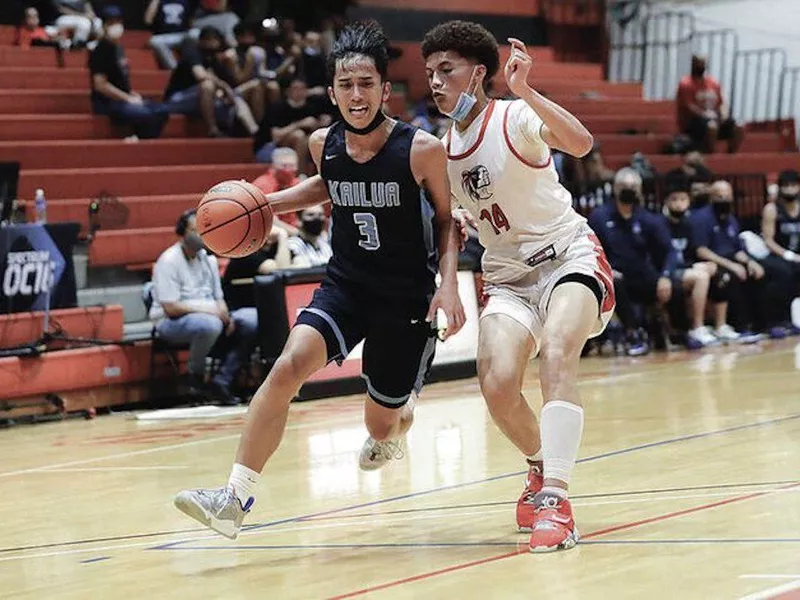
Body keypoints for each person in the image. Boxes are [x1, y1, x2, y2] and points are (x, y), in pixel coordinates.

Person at [174, 21, 465, 540]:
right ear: (331, 91)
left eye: (367, 84)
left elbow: (446, 220)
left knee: (382, 426)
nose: (356, 95)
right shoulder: (321, 142)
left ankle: (403, 412)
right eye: (346, 86)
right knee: (287, 366)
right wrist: (264, 203)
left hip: (404, 298)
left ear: (384, 90)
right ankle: (234, 500)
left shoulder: (421, 150)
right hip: (346, 285)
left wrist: (448, 285)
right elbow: (327, 184)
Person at [423, 21, 614, 553]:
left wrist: (526, 88)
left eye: (447, 71)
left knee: (557, 351)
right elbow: (457, 219)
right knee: (498, 385)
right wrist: (451, 279)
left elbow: (581, 142)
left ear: (479, 73)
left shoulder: (515, 115)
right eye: (430, 73)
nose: (435, 82)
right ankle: (539, 465)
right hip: (507, 277)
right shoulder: (443, 147)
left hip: (566, 258)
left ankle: (556, 498)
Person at [149, 209, 259, 405]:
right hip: (170, 322)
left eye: (205, 230)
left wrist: (225, 314)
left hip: (211, 315)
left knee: (253, 319)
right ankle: (195, 377)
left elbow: (219, 297)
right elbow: (170, 308)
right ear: (183, 233)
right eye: (195, 230)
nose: (201, 235)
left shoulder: (209, 259)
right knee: (210, 325)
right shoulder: (168, 261)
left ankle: (222, 379)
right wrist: (212, 312)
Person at [589, 169, 677, 356]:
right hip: (613, 277)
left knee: (673, 285)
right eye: (624, 187)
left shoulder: (649, 219)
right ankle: (633, 333)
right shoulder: (599, 217)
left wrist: (666, 276)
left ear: (640, 190)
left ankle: (677, 331)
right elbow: (590, 250)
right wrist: (606, 270)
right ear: (615, 188)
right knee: (616, 282)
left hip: (642, 275)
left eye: (633, 187)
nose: (628, 190)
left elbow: (669, 250)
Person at [691, 180, 783, 337]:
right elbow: (701, 250)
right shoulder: (701, 218)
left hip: (731, 259)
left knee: (761, 272)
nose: (724, 199)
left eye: (727, 195)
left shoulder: (731, 219)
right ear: (711, 197)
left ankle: (763, 324)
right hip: (711, 261)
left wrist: (750, 262)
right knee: (731, 276)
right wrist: (731, 265)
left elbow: (737, 249)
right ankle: (739, 325)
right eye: (719, 196)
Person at [661, 173, 730, 347]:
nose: (679, 203)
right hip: (666, 272)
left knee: (714, 270)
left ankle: (720, 326)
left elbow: (692, 251)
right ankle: (697, 327)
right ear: (667, 202)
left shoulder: (689, 223)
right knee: (701, 276)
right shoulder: (658, 224)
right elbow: (663, 255)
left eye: (683, 199)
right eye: (674, 199)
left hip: (685, 269)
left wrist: (699, 264)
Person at [89, 6, 168, 140]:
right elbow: (101, 85)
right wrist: (127, 98)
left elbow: (120, 78)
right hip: (109, 103)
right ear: (104, 26)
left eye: (118, 22)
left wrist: (131, 93)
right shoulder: (100, 50)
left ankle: (141, 138)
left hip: (124, 97)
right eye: (111, 23)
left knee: (162, 111)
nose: (116, 26)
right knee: (145, 114)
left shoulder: (118, 48)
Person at [164, 27, 259, 137]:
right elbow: (201, 75)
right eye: (209, 40)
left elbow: (232, 82)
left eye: (214, 40)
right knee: (207, 85)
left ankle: (254, 130)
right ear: (202, 41)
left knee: (237, 98)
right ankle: (212, 128)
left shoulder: (214, 59)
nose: (212, 43)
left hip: (203, 101)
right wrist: (223, 86)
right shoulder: (193, 52)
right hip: (178, 99)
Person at [253, 77, 334, 173]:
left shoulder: (312, 107)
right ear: (288, 91)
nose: (299, 92)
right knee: (298, 135)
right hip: (270, 147)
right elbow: (276, 136)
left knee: (315, 138)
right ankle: (300, 174)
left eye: (302, 89)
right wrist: (299, 124)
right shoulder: (278, 107)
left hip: (302, 146)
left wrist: (321, 123)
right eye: (296, 89)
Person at [676, 55, 743, 154]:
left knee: (739, 125)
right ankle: (711, 153)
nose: (701, 65)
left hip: (715, 117)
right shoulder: (686, 83)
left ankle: (731, 153)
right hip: (695, 122)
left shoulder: (713, 83)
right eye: (698, 63)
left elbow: (721, 103)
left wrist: (723, 115)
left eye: (703, 63)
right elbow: (688, 106)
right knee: (712, 126)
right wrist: (705, 115)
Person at [759, 169, 800, 325]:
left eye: (793, 185)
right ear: (780, 188)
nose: (790, 189)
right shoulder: (772, 209)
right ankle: (781, 320)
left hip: (797, 255)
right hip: (777, 255)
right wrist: (789, 255)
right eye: (786, 186)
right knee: (784, 272)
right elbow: (768, 241)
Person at [144, 0, 193, 70]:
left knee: (196, 33)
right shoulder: (159, 2)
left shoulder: (185, 2)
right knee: (154, 41)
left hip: (182, 35)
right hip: (163, 37)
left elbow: (191, 20)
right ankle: (175, 69)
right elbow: (148, 20)